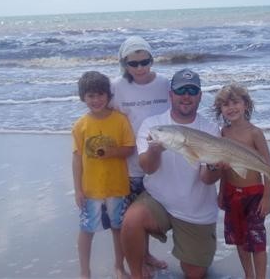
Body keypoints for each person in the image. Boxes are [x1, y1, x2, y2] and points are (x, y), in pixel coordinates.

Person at [121, 68, 222, 279]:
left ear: (200, 96)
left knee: (195, 274)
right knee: (131, 220)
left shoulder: (211, 129)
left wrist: (215, 166)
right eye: (180, 90)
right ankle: (137, 274)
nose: (186, 96)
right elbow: (147, 167)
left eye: (192, 91)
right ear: (170, 94)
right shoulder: (153, 125)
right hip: (159, 201)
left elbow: (207, 179)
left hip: (196, 209)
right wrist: (154, 150)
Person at [111, 36, 170, 274]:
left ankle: (146, 256)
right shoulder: (117, 86)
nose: (140, 68)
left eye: (145, 61)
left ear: (152, 59)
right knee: (131, 220)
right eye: (132, 63)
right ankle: (137, 261)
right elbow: (105, 116)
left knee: (146, 216)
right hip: (129, 165)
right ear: (123, 63)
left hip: (160, 163)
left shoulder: (164, 83)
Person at [72, 71, 135, 279]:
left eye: (100, 94)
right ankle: (84, 272)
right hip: (91, 190)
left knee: (118, 228)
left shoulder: (120, 120)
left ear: (108, 95)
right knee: (87, 230)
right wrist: (78, 189)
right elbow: (76, 159)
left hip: (117, 187)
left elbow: (129, 149)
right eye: (90, 96)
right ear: (83, 97)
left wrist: (112, 152)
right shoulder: (81, 125)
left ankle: (119, 266)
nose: (96, 100)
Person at [214, 83, 270, 279]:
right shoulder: (223, 133)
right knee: (239, 240)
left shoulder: (255, 133)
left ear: (246, 104)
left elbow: (269, 168)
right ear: (220, 109)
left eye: (235, 102)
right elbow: (224, 168)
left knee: (257, 241)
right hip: (231, 193)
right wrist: (222, 193)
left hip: (254, 195)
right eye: (225, 105)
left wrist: (267, 198)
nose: (231, 108)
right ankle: (249, 275)